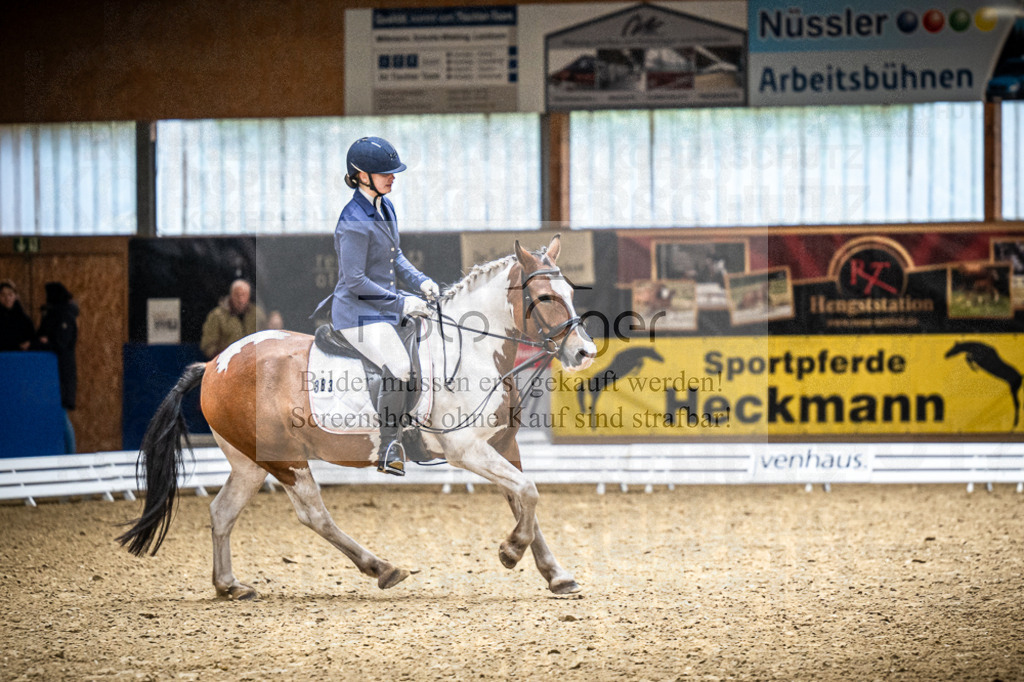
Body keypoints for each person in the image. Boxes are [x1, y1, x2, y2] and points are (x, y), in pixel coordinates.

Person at [314, 136, 439, 476]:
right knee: (399, 366)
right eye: (385, 172)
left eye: (393, 172)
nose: (393, 177)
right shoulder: (353, 220)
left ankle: (413, 428)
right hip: (356, 315)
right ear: (361, 175)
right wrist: (402, 302)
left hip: (383, 309)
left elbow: (395, 257)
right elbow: (355, 281)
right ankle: (389, 447)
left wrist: (421, 281)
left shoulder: (385, 206)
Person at [35, 281, 78, 453]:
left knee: (62, 415)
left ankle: (71, 453)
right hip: (55, 373)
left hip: (62, 373)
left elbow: (61, 342)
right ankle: (68, 453)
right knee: (60, 415)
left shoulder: (65, 315)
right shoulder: (55, 313)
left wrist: (46, 343)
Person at [200, 279, 267, 359]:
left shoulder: (258, 314)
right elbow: (207, 345)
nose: (241, 300)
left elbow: (266, 339)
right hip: (226, 364)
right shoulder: (217, 316)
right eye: (237, 295)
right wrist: (225, 357)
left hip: (253, 362)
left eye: (244, 295)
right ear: (231, 295)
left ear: (249, 296)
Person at [0, 279, 35, 351]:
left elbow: (32, 340)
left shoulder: (24, 320)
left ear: (15, 296)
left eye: (10, 294)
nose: (7, 298)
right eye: (3, 295)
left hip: (19, 358)